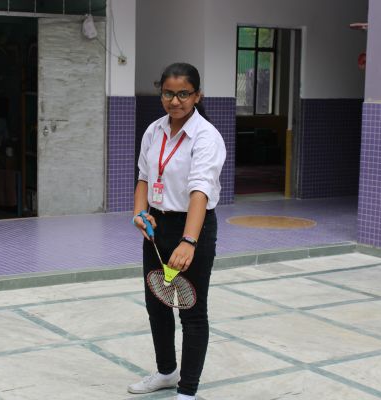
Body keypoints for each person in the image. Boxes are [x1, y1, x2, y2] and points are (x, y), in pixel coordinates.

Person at [128, 63, 226, 400]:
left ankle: (187, 391)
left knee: (191, 310)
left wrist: (188, 241)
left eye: (183, 94)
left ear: (197, 96)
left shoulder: (206, 136)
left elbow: (200, 191)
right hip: (158, 228)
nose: (175, 100)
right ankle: (167, 372)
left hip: (193, 227)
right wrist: (140, 213)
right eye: (168, 93)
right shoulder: (154, 131)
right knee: (158, 304)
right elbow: (143, 177)